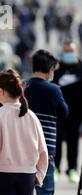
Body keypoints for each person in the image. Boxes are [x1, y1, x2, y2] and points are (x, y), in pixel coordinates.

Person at [24, 50, 69, 195]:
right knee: (46, 192)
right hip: (46, 149)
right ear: (50, 70)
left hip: (22, 150)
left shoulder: (22, 87)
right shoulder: (54, 90)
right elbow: (64, 112)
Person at [54, 41, 82, 183]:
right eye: (66, 50)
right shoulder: (57, 69)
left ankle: (72, 169)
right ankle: (56, 169)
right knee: (57, 141)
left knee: (73, 142)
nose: (69, 53)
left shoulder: (80, 68)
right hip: (58, 113)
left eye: (71, 50)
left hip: (76, 114)